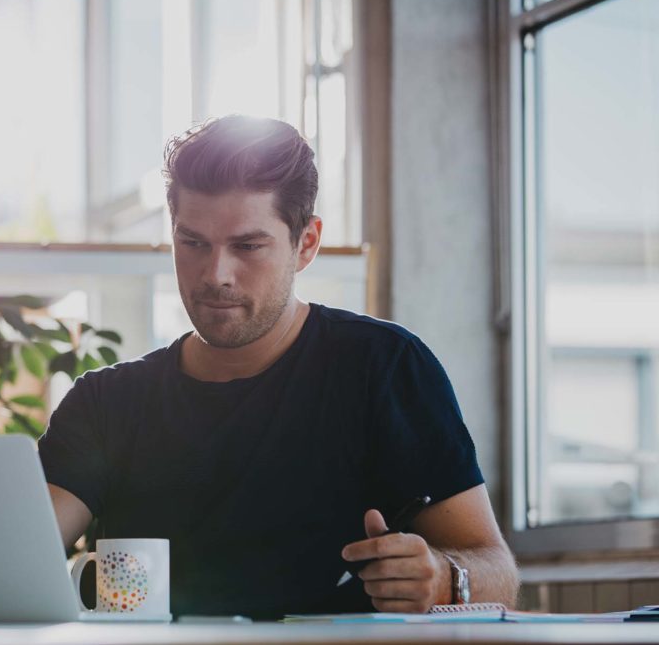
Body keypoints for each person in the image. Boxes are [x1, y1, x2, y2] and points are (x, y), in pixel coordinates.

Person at [38, 115, 518, 619]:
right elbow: (17, 559)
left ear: (305, 244)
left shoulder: (383, 367)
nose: (215, 274)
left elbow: (498, 573)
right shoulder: (106, 403)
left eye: (247, 246)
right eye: (193, 243)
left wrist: (445, 578)